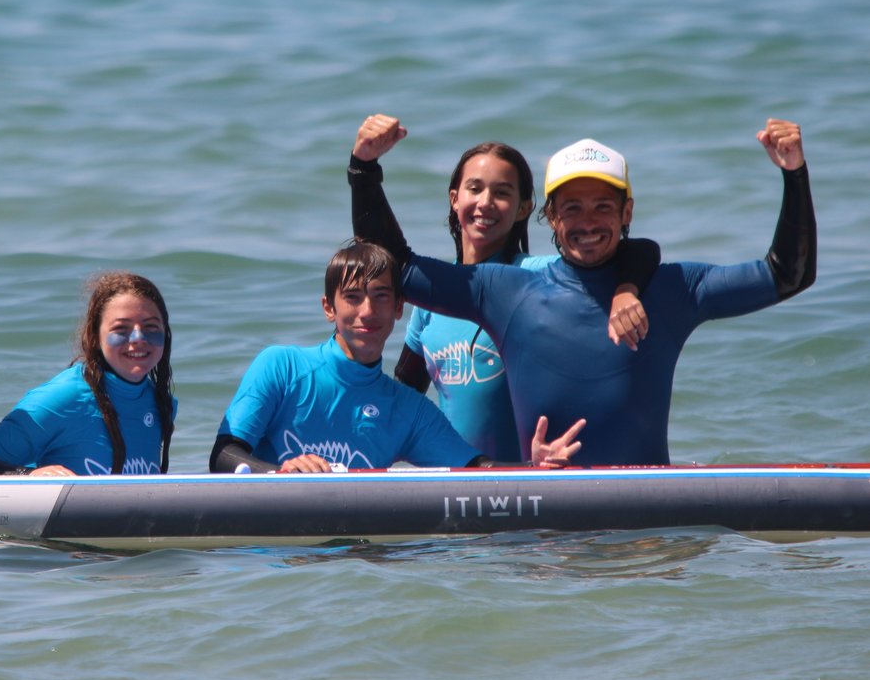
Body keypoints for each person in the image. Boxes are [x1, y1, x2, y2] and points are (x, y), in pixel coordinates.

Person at [350, 116, 816, 466]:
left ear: (626, 212)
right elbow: (400, 267)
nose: (587, 222)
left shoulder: (675, 289)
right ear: (550, 217)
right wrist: (364, 169)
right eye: (571, 208)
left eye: (603, 207)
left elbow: (785, 276)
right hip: (549, 532)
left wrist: (793, 175)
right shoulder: (507, 290)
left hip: (647, 525)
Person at [210, 239, 585, 474]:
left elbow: (475, 469)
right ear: (328, 307)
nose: (368, 311)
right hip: (273, 568)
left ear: (400, 308)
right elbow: (224, 455)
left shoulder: (408, 410)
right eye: (353, 297)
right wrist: (279, 474)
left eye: (381, 296)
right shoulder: (282, 367)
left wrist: (533, 468)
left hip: (363, 572)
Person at [394, 140, 661, 461]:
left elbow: (640, 249)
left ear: (523, 207)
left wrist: (625, 290)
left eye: (503, 193)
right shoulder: (432, 299)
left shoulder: (535, 277)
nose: (486, 202)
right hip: (458, 484)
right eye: (475, 188)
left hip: (530, 482)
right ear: (455, 199)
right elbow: (403, 397)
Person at [0, 271, 176, 476]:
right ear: (95, 337)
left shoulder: (160, 403)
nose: (138, 338)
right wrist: (30, 475)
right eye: (121, 329)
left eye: (151, 327)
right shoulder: (64, 397)